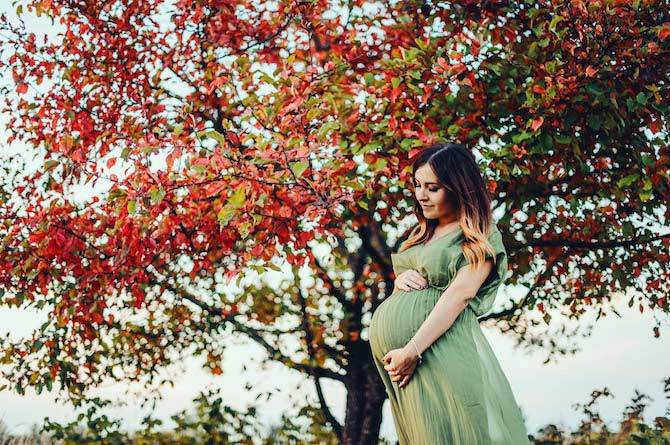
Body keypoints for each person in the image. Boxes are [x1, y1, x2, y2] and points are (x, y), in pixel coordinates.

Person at [368, 142, 531, 444]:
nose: (421, 195)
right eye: (417, 185)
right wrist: (399, 283)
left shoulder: (478, 235)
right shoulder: (423, 233)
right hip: (406, 363)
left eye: (433, 188)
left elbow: (459, 295)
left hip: (435, 351)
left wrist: (411, 351)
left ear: (458, 189)